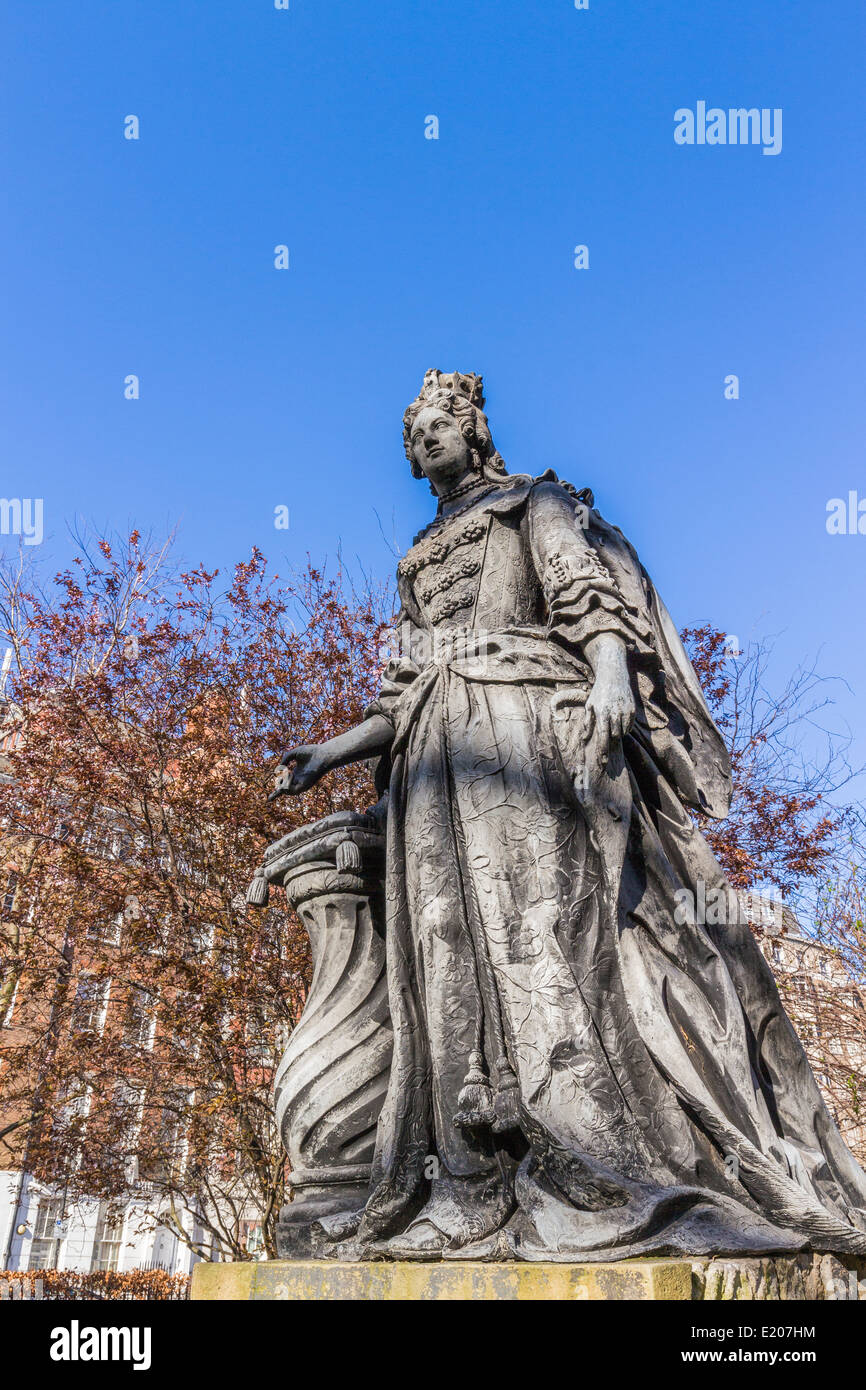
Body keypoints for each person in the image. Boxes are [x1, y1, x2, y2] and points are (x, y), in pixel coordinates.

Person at [274, 369, 866, 1261]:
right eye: (414, 435)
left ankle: (586, 1147)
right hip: (432, 759)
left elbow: (584, 594)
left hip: (521, 730)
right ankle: (469, 1171)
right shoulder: (416, 560)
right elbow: (401, 694)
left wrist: (611, 677)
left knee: (538, 934)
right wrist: (328, 753)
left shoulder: (531, 503)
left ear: (474, 429)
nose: (426, 441)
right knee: (444, 945)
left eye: (440, 424)